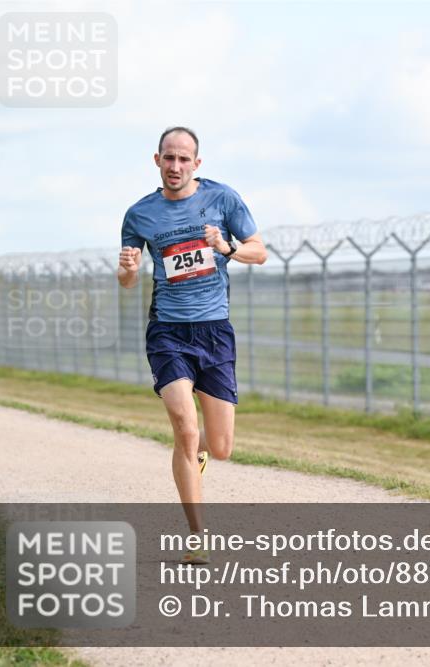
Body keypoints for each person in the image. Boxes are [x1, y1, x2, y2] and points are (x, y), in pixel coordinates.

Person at [117, 126, 267, 564]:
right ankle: (197, 535)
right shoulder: (139, 214)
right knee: (185, 428)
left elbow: (259, 251)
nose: (176, 165)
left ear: (196, 164)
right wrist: (128, 268)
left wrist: (226, 247)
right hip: (167, 332)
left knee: (219, 447)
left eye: (184, 159)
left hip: (214, 331)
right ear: (157, 160)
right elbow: (127, 281)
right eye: (169, 157)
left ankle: (196, 455)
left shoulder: (222, 199)